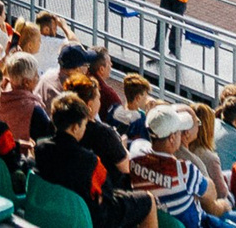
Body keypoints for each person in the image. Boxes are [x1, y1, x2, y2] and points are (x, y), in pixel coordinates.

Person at [37, 93, 157, 228]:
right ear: (75, 127)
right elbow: (107, 194)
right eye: (83, 124)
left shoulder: (40, 147)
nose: (85, 128)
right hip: (90, 217)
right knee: (148, 200)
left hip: (58, 209)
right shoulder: (90, 161)